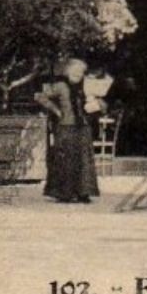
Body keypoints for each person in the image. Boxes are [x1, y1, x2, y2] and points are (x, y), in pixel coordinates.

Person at [35, 57, 101, 204]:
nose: (78, 75)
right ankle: (64, 193)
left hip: (83, 126)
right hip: (66, 126)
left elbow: (97, 102)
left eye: (81, 72)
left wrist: (95, 104)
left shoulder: (85, 87)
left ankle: (84, 192)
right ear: (68, 71)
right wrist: (56, 110)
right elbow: (40, 97)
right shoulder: (60, 86)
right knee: (66, 159)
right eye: (75, 72)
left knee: (84, 160)